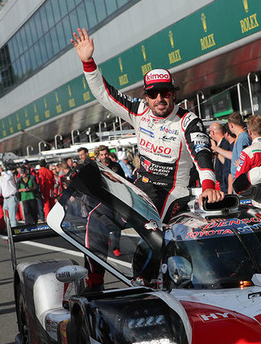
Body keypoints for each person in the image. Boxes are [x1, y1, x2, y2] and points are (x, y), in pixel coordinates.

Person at [71, 28, 222, 219]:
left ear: (174, 94)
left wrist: (208, 187)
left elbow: (203, 156)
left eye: (165, 93)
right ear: (146, 97)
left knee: (149, 225)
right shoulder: (139, 110)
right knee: (97, 216)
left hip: (171, 191)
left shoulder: (188, 121)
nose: (159, 98)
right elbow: (105, 94)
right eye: (153, 94)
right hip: (141, 185)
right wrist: (88, 62)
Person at [227, 112, 250, 194]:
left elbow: (243, 157)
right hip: (237, 177)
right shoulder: (240, 137)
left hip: (241, 178)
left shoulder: (242, 137)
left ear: (231, 125)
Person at [0, 162, 19, 228]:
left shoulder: (8, 173)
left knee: (12, 217)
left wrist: (2, 171)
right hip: (6, 199)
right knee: (6, 217)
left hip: (12, 197)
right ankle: (10, 231)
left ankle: (14, 233)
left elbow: (8, 178)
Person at [208, 122, 231, 191]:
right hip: (222, 181)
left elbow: (227, 161)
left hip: (226, 181)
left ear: (212, 133)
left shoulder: (225, 143)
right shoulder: (219, 144)